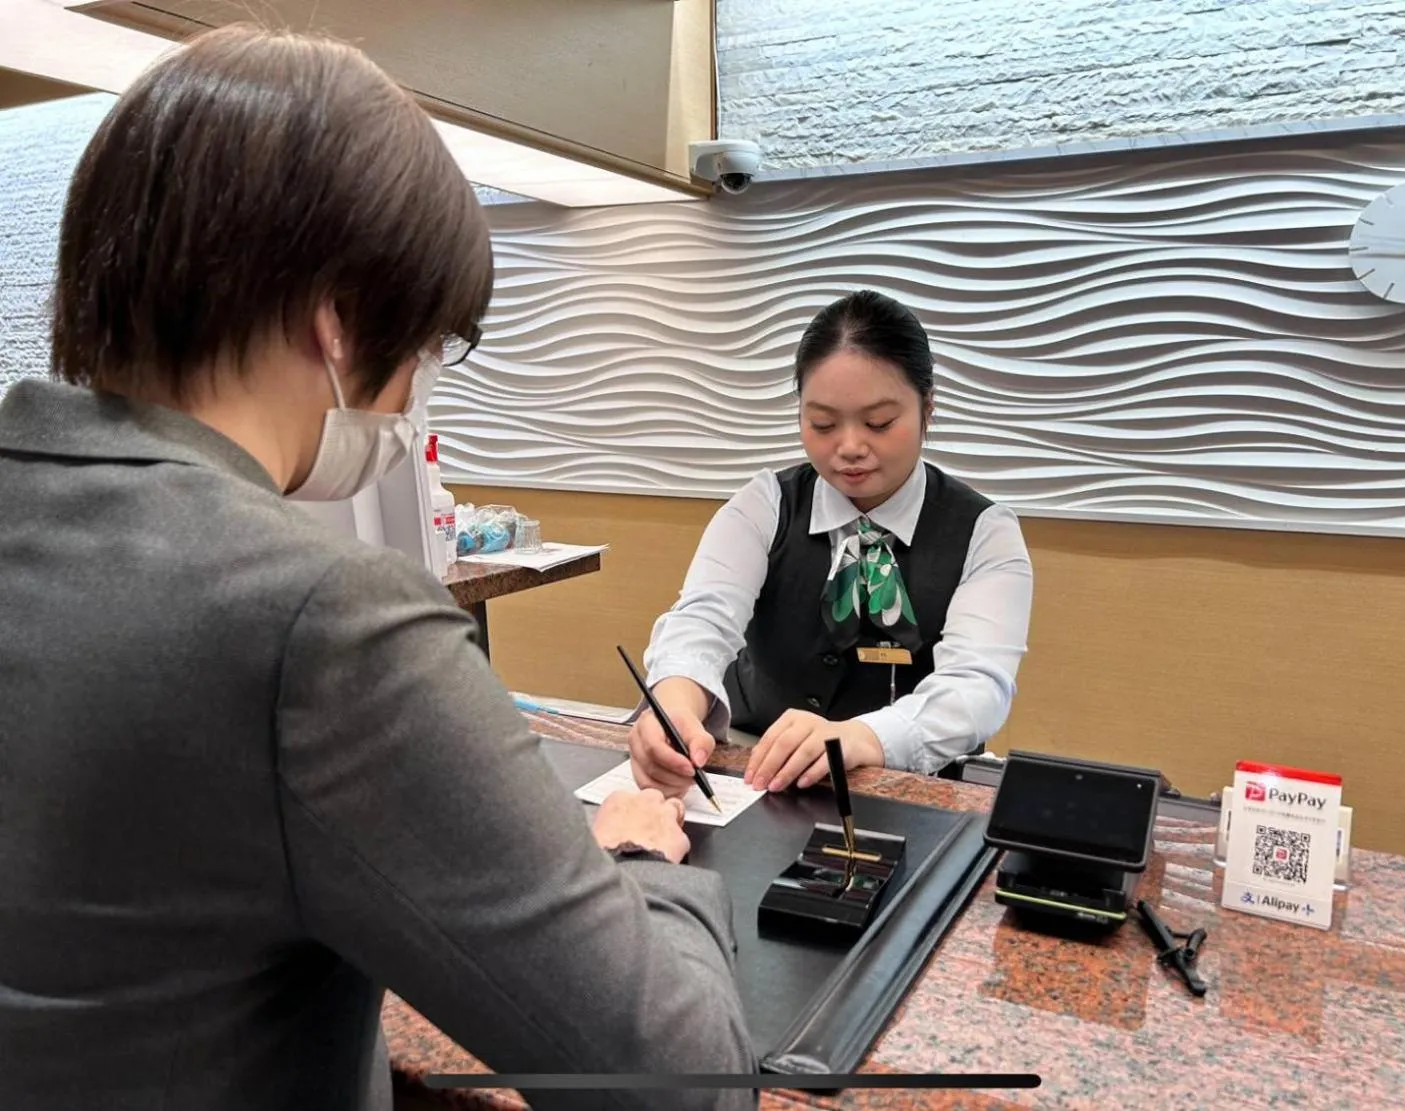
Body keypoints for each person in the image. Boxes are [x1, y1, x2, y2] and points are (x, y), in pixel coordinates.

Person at [0, 25, 754, 1111]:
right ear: (340, 321)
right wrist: (639, 867)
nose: (415, 392)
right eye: (428, 348)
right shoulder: (318, 618)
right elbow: (681, 1083)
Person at [629, 290, 1033, 797]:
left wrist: (866, 737)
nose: (849, 447)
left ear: (928, 408)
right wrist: (675, 703)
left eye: (879, 423)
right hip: (756, 773)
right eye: (822, 424)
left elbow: (978, 685)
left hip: (908, 785)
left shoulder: (985, 532)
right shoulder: (764, 505)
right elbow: (703, 619)